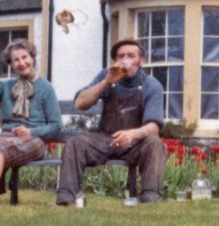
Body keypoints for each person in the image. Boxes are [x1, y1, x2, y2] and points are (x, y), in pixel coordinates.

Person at [57, 39, 166, 206]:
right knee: (75, 143)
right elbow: (80, 103)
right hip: (106, 139)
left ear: (141, 61)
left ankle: (149, 199)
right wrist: (106, 82)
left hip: (135, 143)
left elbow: (153, 127)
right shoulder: (106, 76)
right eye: (121, 56)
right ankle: (66, 198)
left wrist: (132, 134)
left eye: (131, 55)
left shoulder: (152, 85)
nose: (125, 60)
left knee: (155, 143)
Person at [0, 39, 62, 205]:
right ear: (11, 64)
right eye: (16, 60)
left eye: (24, 57)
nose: (21, 63)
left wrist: (31, 131)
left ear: (32, 58)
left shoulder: (46, 88)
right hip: (7, 136)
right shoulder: (6, 86)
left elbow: (56, 125)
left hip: (34, 140)